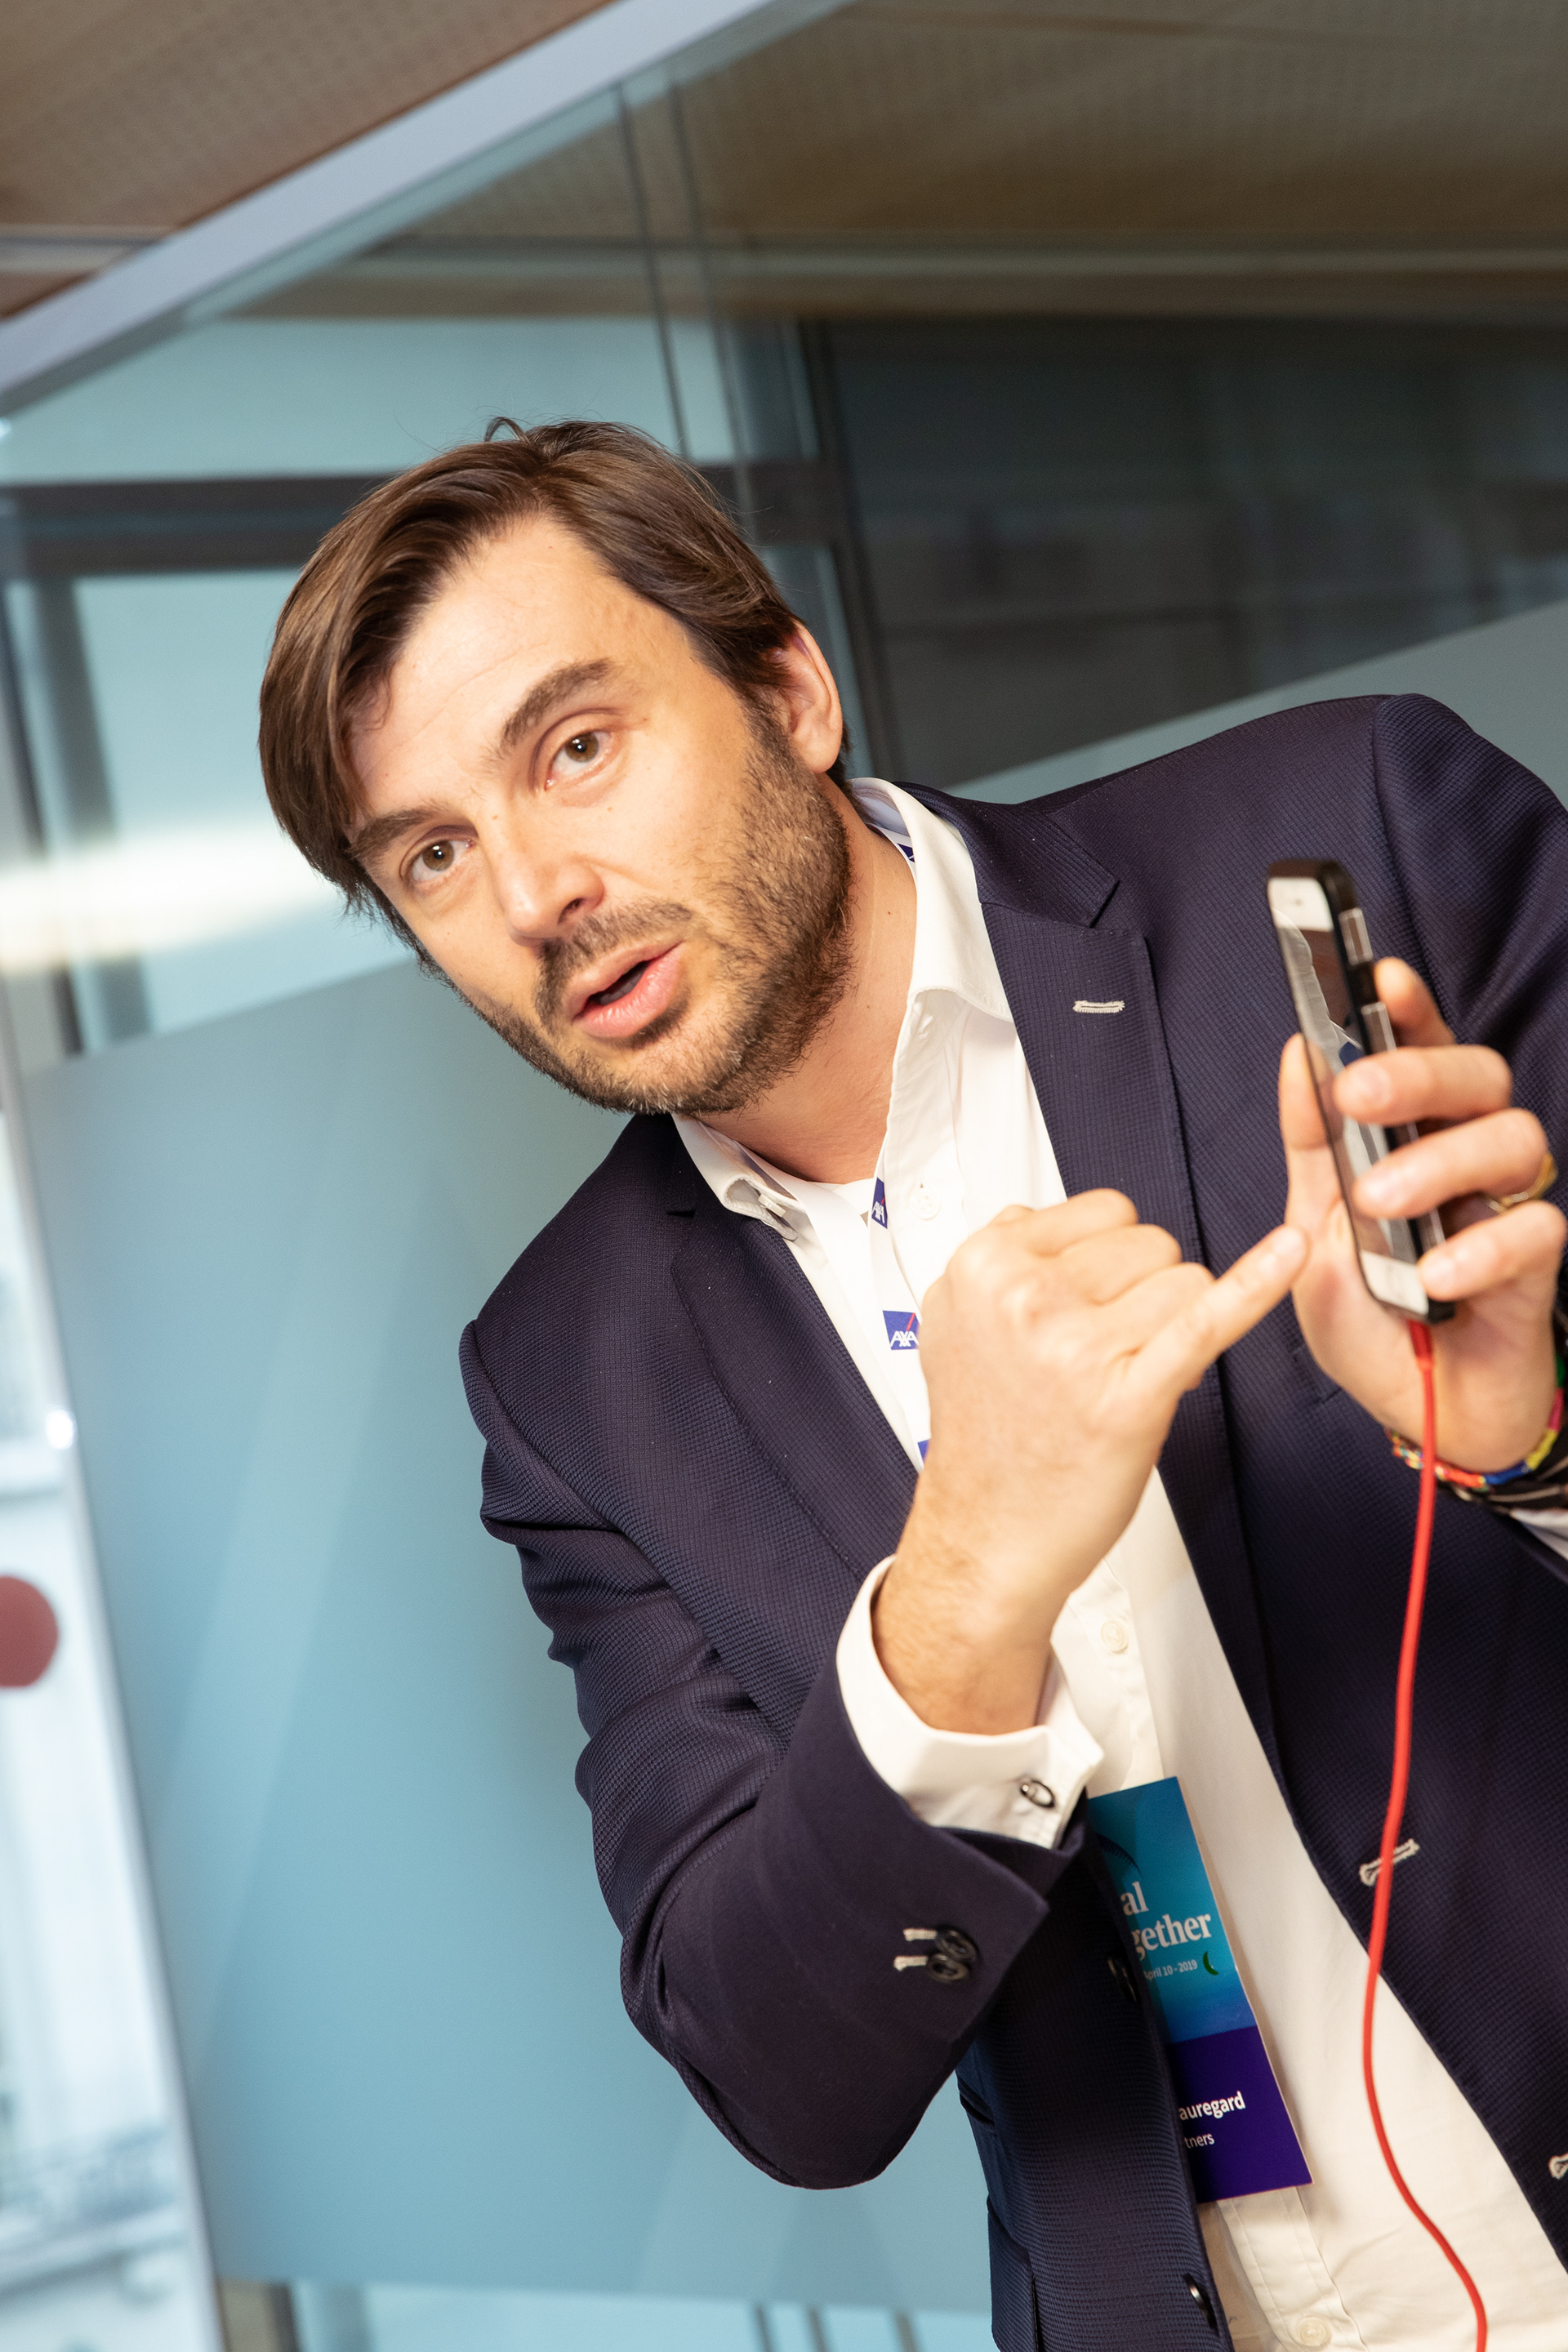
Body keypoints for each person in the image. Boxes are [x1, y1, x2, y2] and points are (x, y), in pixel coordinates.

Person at [259, 421, 1568, 2350]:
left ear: (789, 689)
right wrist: (956, 1595)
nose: (535, 890)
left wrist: (1530, 1445)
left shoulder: (1350, 831)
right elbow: (780, 2077)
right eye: (433, 855)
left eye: (577, 747)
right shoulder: (568, 1374)